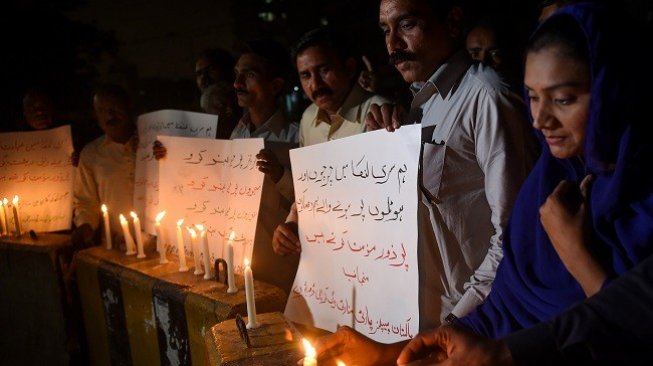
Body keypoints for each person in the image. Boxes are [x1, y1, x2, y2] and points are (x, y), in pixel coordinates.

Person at [319, 3, 653, 365]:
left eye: (563, 99)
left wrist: (574, 251)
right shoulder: (550, 184)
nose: (539, 120)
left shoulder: (636, 204)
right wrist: (401, 351)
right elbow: (507, 304)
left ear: (614, 90)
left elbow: (622, 325)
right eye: (533, 98)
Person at [370, 0, 535, 329]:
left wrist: (458, 322)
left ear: (453, 21)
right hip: (422, 321)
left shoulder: (486, 98)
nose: (393, 45)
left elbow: (515, 235)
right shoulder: (419, 105)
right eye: (386, 31)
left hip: (477, 326)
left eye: (407, 25)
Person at [271, 26, 390, 256]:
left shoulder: (380, 115)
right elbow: (310, 191)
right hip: (327, 255)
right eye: (305, 75)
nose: (315, 85)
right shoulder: (307, 119)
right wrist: (292, 224)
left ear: (349, 67)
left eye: (324, 70)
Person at [72, 85, 137, 248]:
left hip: (162, 245)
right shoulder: (90, 154)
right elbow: (85, 201)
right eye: (102, 110)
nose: (110, 114)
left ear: (129, 107)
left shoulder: (154, 145)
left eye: (114, 107)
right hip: (117, 246)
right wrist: (85, 225)